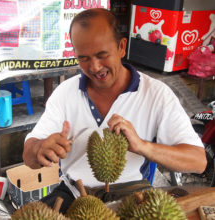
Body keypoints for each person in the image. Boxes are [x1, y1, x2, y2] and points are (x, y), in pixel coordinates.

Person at [23, 8, 207, 213]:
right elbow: (28, 156)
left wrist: (142, 146)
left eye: (102, 55)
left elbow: (198, 161)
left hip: (132, 198)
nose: (94, 67)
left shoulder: (156, 94)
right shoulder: (65, 93)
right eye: (83, 58)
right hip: (74, 194)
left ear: (121, 47)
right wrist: (40, 149)